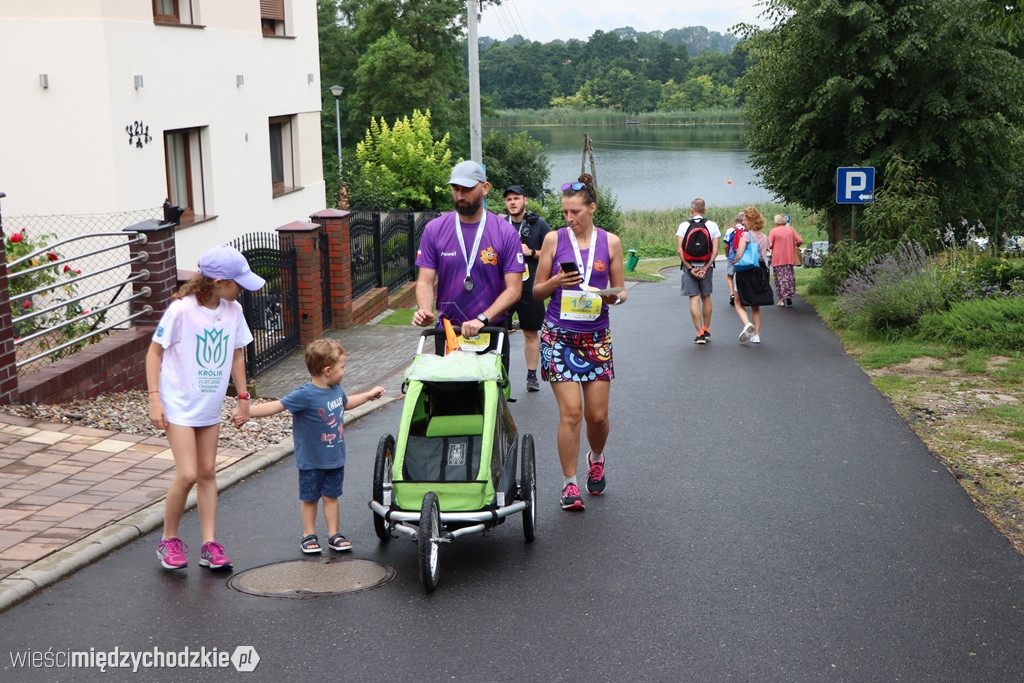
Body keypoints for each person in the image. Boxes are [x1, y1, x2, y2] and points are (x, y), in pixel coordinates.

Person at [147, 244, 265, 571]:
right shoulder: (181, 311)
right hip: (179, 404)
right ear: (216, 282)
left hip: (208, 403)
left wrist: (243, 398)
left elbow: (238, 354)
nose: (241, 287)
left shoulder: (233, 310)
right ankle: (167, 539)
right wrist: (154, 397)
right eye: (237, 282)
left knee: (208, 472)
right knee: (187, 474)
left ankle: (209, 544)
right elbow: (154, 354)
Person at [233, 339, 384, 555]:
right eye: (342, 367)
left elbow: (346, 403)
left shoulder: (335, 390)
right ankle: (309, 535)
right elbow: (277, 406)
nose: (345, 371)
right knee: (310, 498)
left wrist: (369, 395)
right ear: (327, 370)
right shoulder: (305, 394)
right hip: (311, 461)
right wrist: (247, 413)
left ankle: (334, 534)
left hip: (334, 458)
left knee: (332, 497)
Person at [532, 174, 626, 511]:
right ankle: (569, 484)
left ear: (592, 208)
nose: (569, 218)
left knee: (597, 417)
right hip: (559, 336)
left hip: (596, 338)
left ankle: (596, 458)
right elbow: (536, 290)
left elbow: (620, 289)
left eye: (575, 212)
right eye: (565, 212)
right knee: (571, 413)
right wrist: (556, 280)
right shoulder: (554, 241)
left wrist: (611, 296)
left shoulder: (611, 242)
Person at [413, 160, 525, 374]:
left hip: (491, 330)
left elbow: (514, 289)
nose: (460, 195)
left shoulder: (505, 232)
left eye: (467, 189)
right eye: (456, 189)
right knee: (449, 402)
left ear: (485, 188)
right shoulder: (434, 229)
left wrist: (482, 319)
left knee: (492, 401)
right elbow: (425, 281)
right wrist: (425, 309)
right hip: (449, 332)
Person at [503, 185, 551, 392]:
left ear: (525, 200)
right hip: (502, 289)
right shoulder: (498, 225)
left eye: (516, 198)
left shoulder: (538, 224)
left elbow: (552, 253)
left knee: (531, 332)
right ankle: (498, 376)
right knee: (497, 333)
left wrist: (531, 251)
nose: (512, 202)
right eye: (508, 199)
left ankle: (532, 376)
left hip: (529, 287)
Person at [676, 198, 721, 344]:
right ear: (705, 210)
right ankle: (707, 330)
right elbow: (715, 251)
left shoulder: (683, 226)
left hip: (689, 267)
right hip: (706, 266)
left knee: (694, 298)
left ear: (691, 210)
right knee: (706, 297)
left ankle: (699, 332)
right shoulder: (712, 225)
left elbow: (679, 250)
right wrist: (706, 268)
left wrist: (690, 268)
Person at [730, 207, 774, 344]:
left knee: (738, 303)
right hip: (759, 271)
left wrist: (735, 263)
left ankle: (747, 324)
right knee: (756, 304)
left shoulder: (746, 235)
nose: (743, 222)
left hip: (745, 272)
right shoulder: (765, 237)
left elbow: (739, 254)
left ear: (750, 221)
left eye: (744, 220)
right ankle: (757, 335)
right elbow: (765, 253)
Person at [768, 213, 803, 307]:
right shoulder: (791, 230)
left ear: (776, 221)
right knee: (789, 277)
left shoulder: (773, 231)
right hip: (789, 258)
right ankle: (789, 295)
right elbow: (800, 240)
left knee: (779, 279)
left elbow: (769, 244)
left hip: (777, 258)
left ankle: (781, 299)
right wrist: (794, 246)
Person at [722, 212, 744, 307]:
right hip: (743, 257)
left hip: (732, 257)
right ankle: (741, 295)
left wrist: (727, 254)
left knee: (730, 276)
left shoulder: (730, 230)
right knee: (742, 276)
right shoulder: (747, 230)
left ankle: (731, 294)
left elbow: (726, 245)